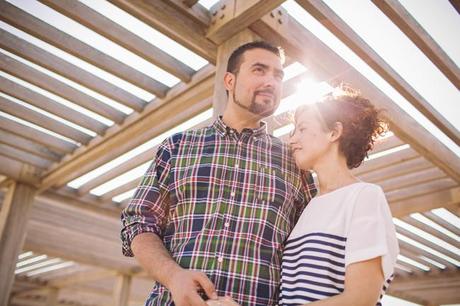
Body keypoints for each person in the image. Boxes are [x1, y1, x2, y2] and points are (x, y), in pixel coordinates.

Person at [120, 41, 317, 306]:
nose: (271, 81)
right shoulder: (178, 147)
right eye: (259, 70)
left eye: (278, 75)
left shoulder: (295, 162)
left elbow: (310, 250)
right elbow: (139, 223)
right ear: (229, 80)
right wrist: (174, 277)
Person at [212, 86, 399, 306]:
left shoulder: (364, 196)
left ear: (334, 132)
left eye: (302, 129)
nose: (291, 140)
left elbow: (360, 299)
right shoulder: (309, 207)